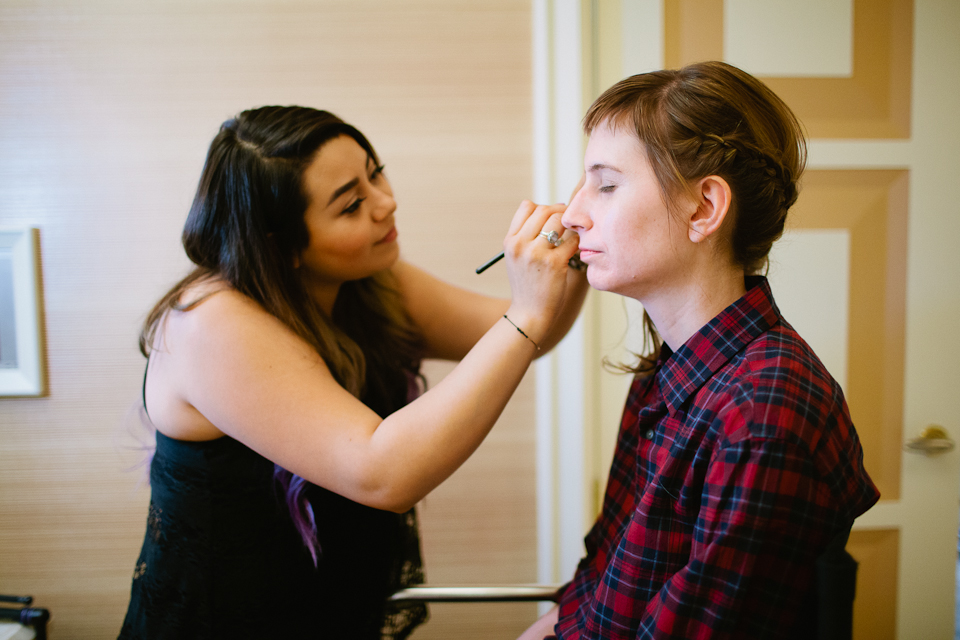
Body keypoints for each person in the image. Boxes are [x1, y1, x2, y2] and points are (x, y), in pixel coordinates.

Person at [118, 106, 588, 640]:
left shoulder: (371, 282)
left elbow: (526, 335)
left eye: (375, 172)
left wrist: (578, 251)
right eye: (351, 205)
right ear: (280, 245)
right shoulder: (211, 324)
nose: (386, 202)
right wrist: (525, 312)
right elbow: (383, 473)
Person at [519, 61, 880, 640]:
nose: (573, 215)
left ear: (704, 209)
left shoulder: (763, 417)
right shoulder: (663, 376)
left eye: (606, 185)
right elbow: (605, 572)